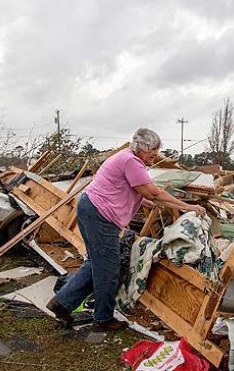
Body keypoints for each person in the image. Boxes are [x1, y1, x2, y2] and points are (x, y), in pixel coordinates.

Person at [46, 128, 205, 331]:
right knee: (108, 268)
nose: (155, 156)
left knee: (96, 263)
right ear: (141, 148)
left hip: (91, 208)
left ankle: (61, 303)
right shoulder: (131, 161)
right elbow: (154, 193)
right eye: (152, 152)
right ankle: (102, 319)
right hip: (100, 215)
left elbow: (131, 188)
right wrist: (188, 207)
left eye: (156, 151)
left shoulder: (127, 158)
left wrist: (145, 201)